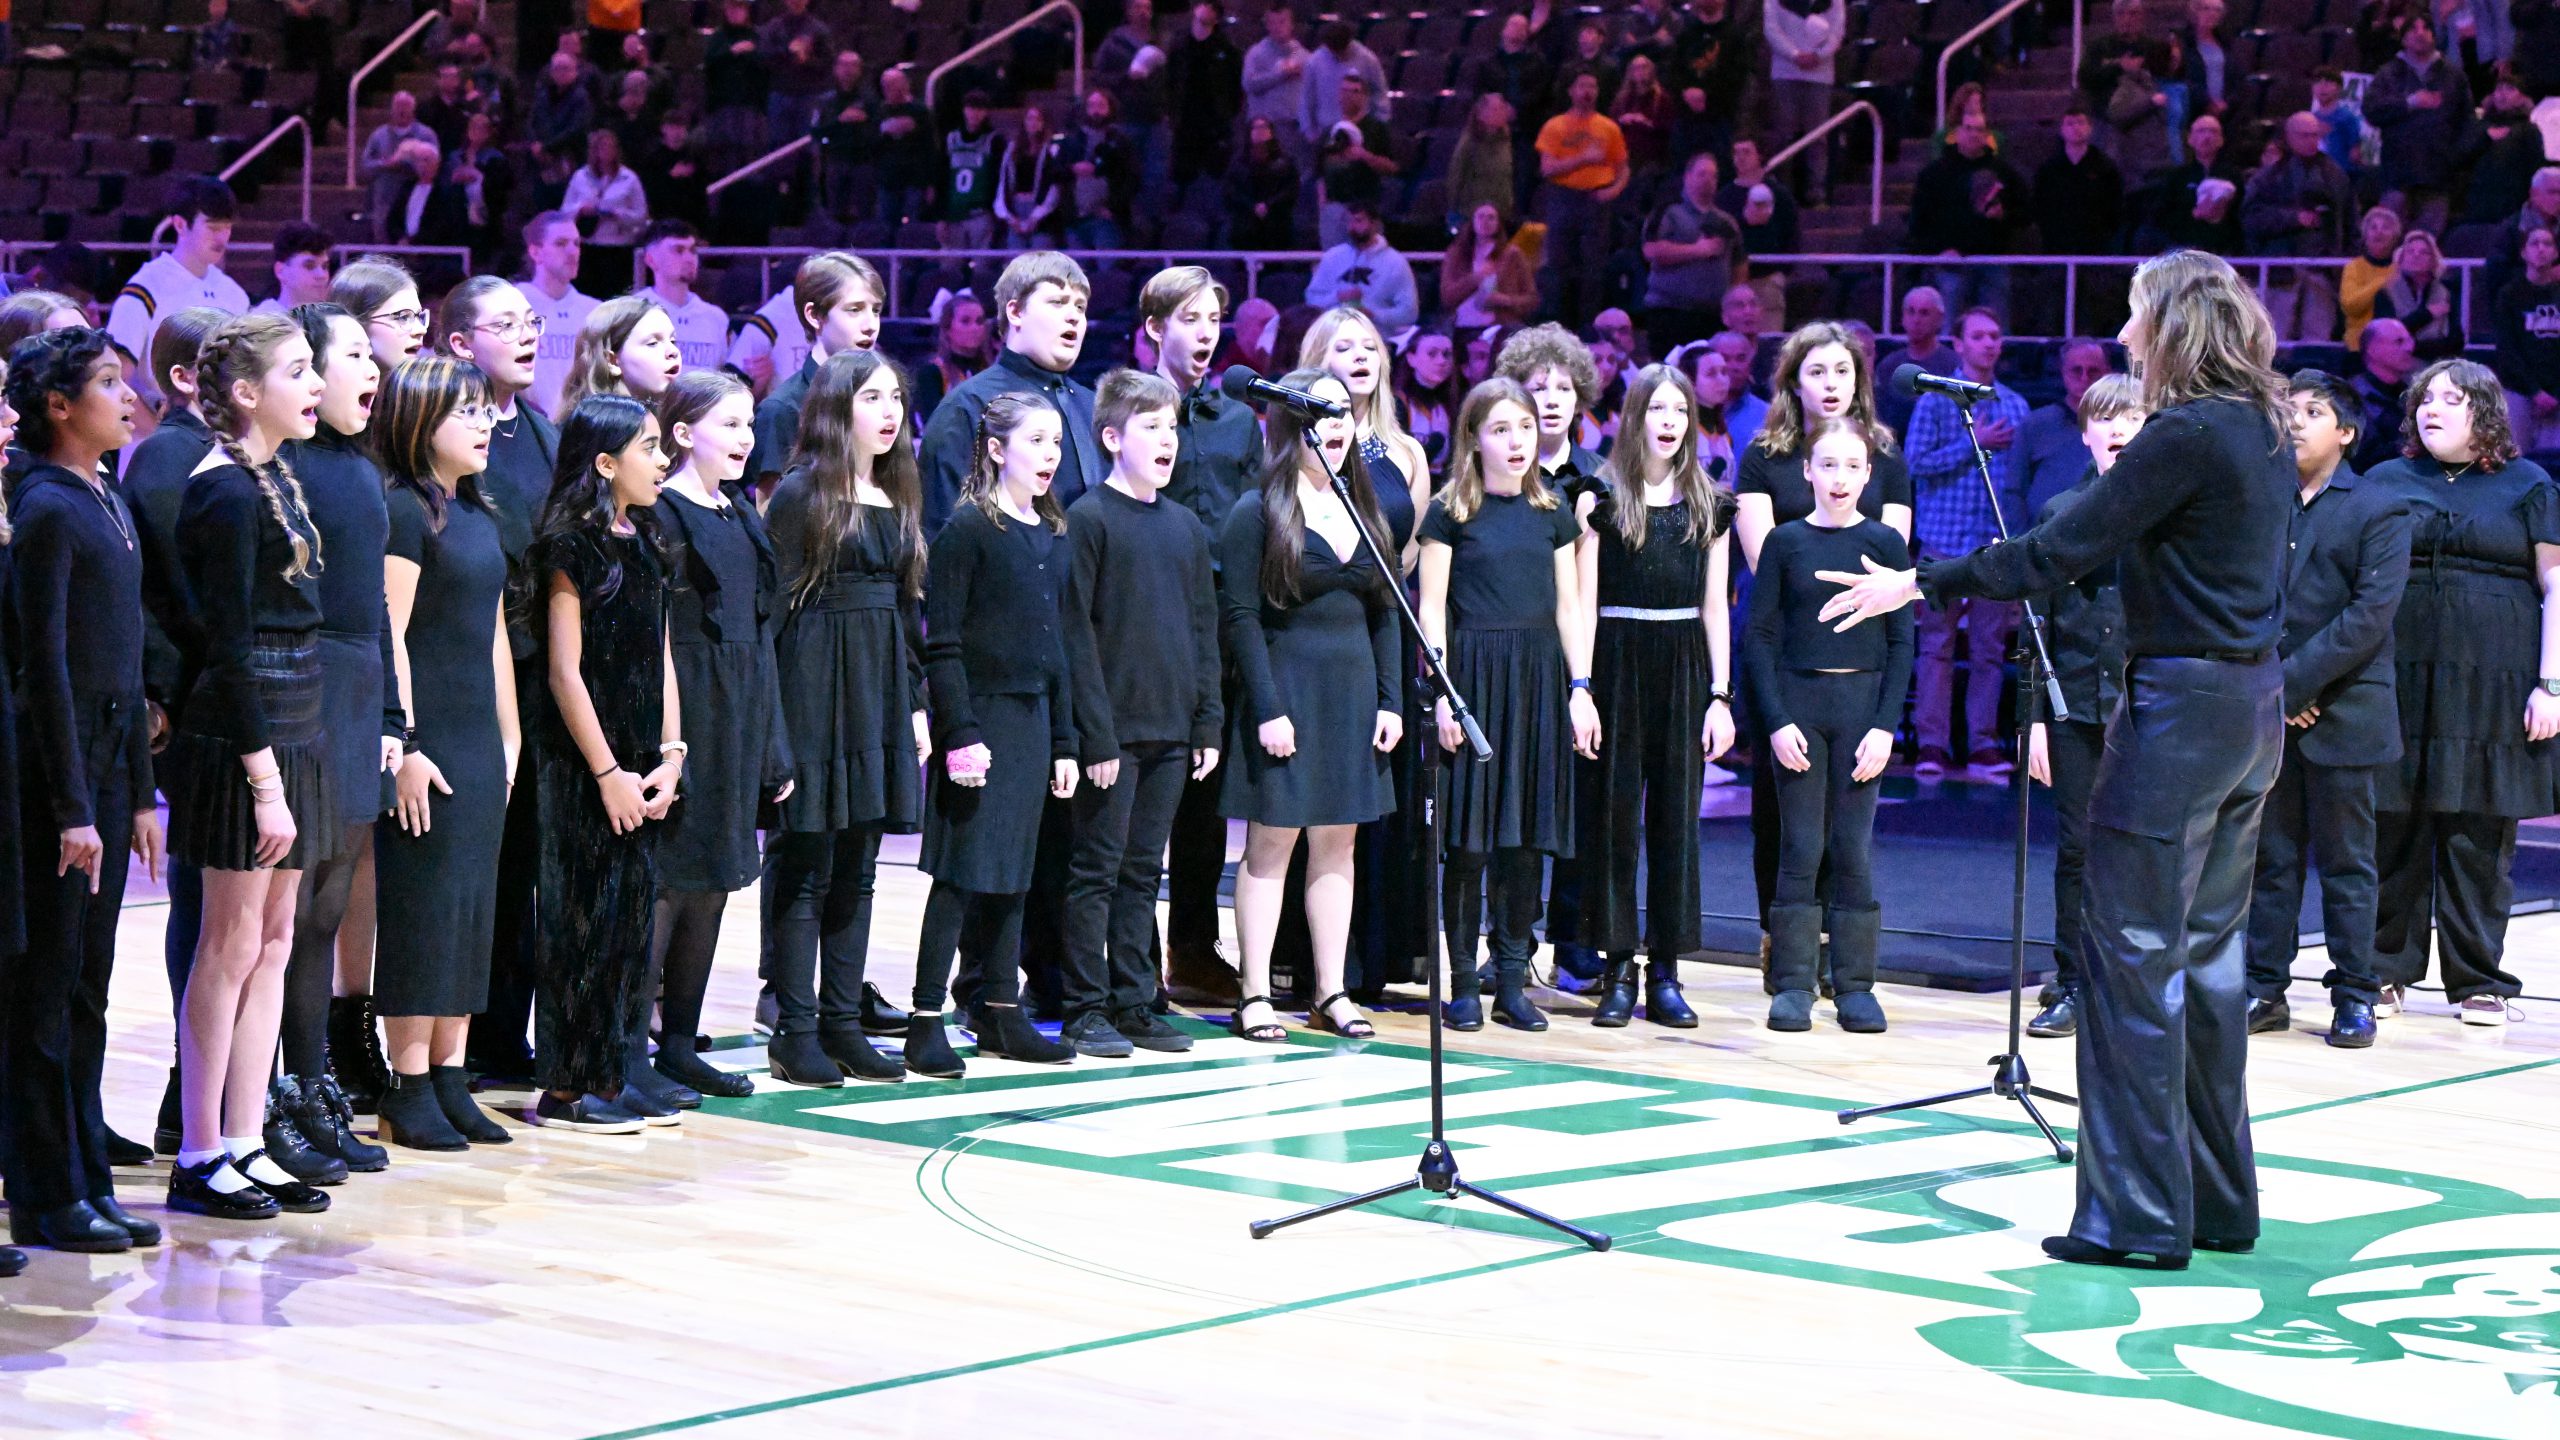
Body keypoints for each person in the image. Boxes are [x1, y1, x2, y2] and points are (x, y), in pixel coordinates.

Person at [1821, 248, 2295, 1270]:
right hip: (2251, 706)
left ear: (2170, 326)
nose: (2121, 339)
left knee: (2128, 960)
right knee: (2207, 963)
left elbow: (2054, 550)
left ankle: (2132, 1219)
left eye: (2133, 319)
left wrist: (1920, 582)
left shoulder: (2182, 433)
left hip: (2179, 714)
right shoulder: (2258, 423)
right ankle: (2216, 1203)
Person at [164, 312, 338, 1220]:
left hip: (298, 719)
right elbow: (225, 650)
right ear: (243, 392)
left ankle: (245, 1137)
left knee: (275, 942)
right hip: (243, 739)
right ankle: (198, 1152)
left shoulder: (277, 474)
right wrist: (265, 781)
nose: (315, 385)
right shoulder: (222, 490)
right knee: (228, 945)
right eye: (300, 370)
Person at [3, 328, 164, 1253]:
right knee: (47, 992)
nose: (128, 394)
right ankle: (44, 1189)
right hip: (60, 776)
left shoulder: (107, 498)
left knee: (90, 989)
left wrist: (139, 793)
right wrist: (71, 806)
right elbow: (45, 669)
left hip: (110, 764)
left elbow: (129, 661)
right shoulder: (48, 508)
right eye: (108, 382)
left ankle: (89, 1178)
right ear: (59, 407)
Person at [2366, 358, 2560, 1027]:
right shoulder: (2387, 479)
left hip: (2493, 683)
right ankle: (2383, 970)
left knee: (2479, 831)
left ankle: (2480, 980)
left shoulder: (2527, 483)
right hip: (2398, 673)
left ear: (2484, 411)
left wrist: (2552, 685)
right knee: (2392, 823)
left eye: (2450, 398)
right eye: (2424, 398)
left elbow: (2557, 587)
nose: (2431, 407)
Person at [1217, 369, 1403, 1043]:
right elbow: (1239, 617)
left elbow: (1386, 611)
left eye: (1346, 412)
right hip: (1288, 691)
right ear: (1292, 422)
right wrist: (1266, 707)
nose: (1336, 422)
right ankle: (1256, 993)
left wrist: (1391, 700)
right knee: (1271, 844)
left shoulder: (1365, 506)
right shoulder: (1259, 510)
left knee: (1339, 842)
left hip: (1353, 696)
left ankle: (1332, 991)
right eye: (1322, 411)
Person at [1732, 323, 1914, 999]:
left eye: (1842, 371)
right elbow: (1763, 561)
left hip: (1859, 653)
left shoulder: (1884, 456)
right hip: (1791, 647)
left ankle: (1847, 968)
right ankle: (1786, 957)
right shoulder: (1766, 458)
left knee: (1848, 830)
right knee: (1782, 821)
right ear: (1793, 381)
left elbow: (1885, 564)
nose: (1831, 384)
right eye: (1817, 372)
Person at [763, 350, 931, 1084]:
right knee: (807, 863)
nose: (889, 411)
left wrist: (917, 703)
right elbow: (771, 614)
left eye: (896, 397)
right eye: (872, 397)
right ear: (838, 407)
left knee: (860, 867)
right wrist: (772, 730)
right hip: (813, 688)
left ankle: (841, 1021)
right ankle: (794, 1028)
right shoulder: (803, 493)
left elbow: (904, 613)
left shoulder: (898, 491)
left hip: (879, 690)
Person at [370, 353, 519, 1148]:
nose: (486, 422)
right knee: (423, 911)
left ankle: (453, 1076)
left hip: (476, 736)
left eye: (485, 409)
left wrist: (511, 737)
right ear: (420, 422)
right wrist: (409, 747)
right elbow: (388, 632)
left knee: (470, 910)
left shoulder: (479, 515)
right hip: (427, 737)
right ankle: (409, 1082)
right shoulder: (402, 511)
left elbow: (492, 635)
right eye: (467, 411)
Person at [2238, 370, 2408, 1050]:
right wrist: (2277, 688)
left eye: (2313, 411)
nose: (2297, 421)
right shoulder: (2263, 498)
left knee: (2348, 865)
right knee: (2268, 862)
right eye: (2289, 410)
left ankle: (2355, 995)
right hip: (2272, 709)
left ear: (2346, 431)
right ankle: (2263, 988)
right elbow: (2246, 597)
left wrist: (2295, 686)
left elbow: (2368, 618)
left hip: (2343, 710)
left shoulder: (2379, 506)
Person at [528, 395, 684, 1132]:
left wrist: (672, 754)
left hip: (642, 764)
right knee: (581, 923)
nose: (662, 461)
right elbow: (565, 673)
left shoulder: (647, 539)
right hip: (587, 769)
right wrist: (606, 773)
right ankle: (566, 1085)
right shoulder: (570, 546)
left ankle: (617, 1070)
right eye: (649, 448)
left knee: (629, 924)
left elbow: (662, 653)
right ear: (604, 462)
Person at [1422, 377, 1597, 1033]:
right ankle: (1463, 982)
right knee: (1468, 843)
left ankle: (1513, 979)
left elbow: (1569, 606)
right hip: (1473, 678)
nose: (1517, 440)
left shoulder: (1552, 510)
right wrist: (1443, 693)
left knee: (1524, 840)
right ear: (1474, 438)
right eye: (1501, 429)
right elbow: (1431, 606)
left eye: (1524, 427)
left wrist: (1580, 689)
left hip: (1537, 681)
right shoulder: (1450, 512)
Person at [642, 372, 801, 1093]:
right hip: (687, 714)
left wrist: (773, 742)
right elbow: (656, 641)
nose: (745, 440)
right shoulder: (663, 515)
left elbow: (760, 636)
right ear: (683, 433)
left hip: (738, 715)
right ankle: (624, 1045)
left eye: (748, 426)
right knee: (669, 887)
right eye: (729, 425)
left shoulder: (741, 515)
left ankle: (678, 1040)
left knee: (713, 885)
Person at [913, 392, 1080, 1074]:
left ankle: (1002, 1011)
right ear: (997, 449)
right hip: (979, 722)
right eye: (1037, 442)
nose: (1051, 456)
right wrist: (960, 734)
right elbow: (943, 643)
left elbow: (1058, 646)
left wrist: (1066, 739)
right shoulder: (968, 532)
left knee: (1013, 873)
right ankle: (926, 1020)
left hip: (1033, 721)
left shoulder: (1051, 532)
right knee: (959, 875)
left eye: (1057, 444)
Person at [261, 304, 392, 1174]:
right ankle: (277, 1098)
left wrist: (391, 717)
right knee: (290, 908)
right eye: (353, 355)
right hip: (301, 685)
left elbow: (375, 598)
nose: (372, 369)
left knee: (332, 901)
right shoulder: (284, 466)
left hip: (358, 683)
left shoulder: (360, 464)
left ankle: (315, 1085)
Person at [1058, 370, 1220, 1057]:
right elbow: (1076, 637)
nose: (1167, 439)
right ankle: (1082, 1005)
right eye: (1150, 427)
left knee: (1141, 870)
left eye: (1172, 427)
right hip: (1113, 734)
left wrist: (1206, 720)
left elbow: (1202, 628)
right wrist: (1094, 735)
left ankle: (1133, 999)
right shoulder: (1088, 518)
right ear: (1112, 437)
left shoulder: (1184, 526)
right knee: (1095, 868)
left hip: (1171, 729)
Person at [1573, 363, 1733, 1027]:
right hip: (1614, 659)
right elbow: (1582, 602)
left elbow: (1717, 607)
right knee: (1613, 825)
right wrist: (1580, 687)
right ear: (1632, 418)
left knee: (1676, 822)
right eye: (1656, 410)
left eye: (1679, 411)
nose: (1668, 423)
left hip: (1683, 663)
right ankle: (1616, 967)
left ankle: (1666, 968)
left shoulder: (1710, 502)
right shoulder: (1600, 500)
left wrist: (1721, 694)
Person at [1147, 267, 1261, 1007]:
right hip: (1148, 621)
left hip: (1219, 624)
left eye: (1214, 317)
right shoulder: (1127, 409)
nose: (1207, 331)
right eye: (1191, 318)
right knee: (1138, 796)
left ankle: (1192, 948)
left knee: (1203, 796)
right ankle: (1120, 957)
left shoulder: (1237, 418)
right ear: (1156, 327)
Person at [2022, 372, 2144, 1041]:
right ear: (2085, 433)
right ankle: (2071, 980)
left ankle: (2127, 979)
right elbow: (2036, 626)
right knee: (2077, 849)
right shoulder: (2059, 512)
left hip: (2147, 706)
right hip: (2071, 707)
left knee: (2142, 850)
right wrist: (2034, 719)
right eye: (2105, 417)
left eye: (2130, 415)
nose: (2118, 428)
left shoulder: (2165, 515)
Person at [1904, 307, 2033, 776]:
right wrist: (1973, 442)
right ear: (1958, 344)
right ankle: (1933, 744)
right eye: (1979, 336)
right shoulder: (1935, 401)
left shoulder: (2015, 404)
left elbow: (2019, 478)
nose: (1989, 344)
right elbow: (1914, 463)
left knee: (1989, 648)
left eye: (1995, 336)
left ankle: (1982, 743)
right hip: (1943, 542)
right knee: (1936, 646)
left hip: (1993, 545)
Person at [918, 251, 1101, 535]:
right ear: (1015, 312)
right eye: (1057, 302)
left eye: (1080, 307)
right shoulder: (968, 406)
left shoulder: (1094, 406)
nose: (1073, 316)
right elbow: (941, 532)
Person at [745, 251, 885, 495]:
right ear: (814, 315)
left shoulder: (884, 402)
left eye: (876, 310)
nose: (871, 325)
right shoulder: (783, 409)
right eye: (854, 310)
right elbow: (770, 517)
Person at [106, 178, 249, 366]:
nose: (222, 238)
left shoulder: (235, 295)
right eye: (213, 228)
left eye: (227, 227)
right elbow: (115, 371)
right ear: (180, 224)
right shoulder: (147, 287)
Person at [1534, 70, 1630, 328]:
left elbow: (1623, 167)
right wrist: (1583, 158)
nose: (1587, 91)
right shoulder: (1555, 126)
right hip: (1562, 198)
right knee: (1559, 266)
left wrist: (1614, 190)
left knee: (1593, 269)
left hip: (1596, 200)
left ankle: (1589, 326)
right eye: (1582, 85)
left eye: (1592, 86)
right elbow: (1547, 168)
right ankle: (1559, 326)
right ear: (1571, 91)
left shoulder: (1608, 127)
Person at [2364, 13, 2470, 236]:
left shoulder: (2453, 75)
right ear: (2403, 38)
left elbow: (2466, 121)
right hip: (2397, 173)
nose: (2420, 33)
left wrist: (2453, 156)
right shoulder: (2387, 74)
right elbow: (2372, 110)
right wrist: (2409, 103)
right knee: (2387, 241)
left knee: (2426, 247)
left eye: (2426, 28)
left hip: (2438, 175)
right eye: (2413, 29)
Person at [1641, 152, 1743, 352]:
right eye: (1702, 174)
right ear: (1687, 177)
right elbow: (1650, 250)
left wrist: (1733, 300)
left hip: (1713, 315)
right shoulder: (1667, 211)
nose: (1708, 180)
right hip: (1671, 312)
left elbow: (1739, 261)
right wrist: (1698, 250)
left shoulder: (1727, 220)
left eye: (1713, 176)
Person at [2021, 339, 2118, 516]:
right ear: (2063, 373)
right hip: (2040, 536)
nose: (2084, 378)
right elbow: (2013, 491)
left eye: (2093, 371)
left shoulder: (2121, 427)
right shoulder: (2036, 424)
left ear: (2106, 373)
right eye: (2076, 370)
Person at [520, 212, 600, 421]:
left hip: (581, 430)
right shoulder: (513, 304)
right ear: (536, 252)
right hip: (529, 426)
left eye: (577, 244)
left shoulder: (594, 311)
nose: (573, 251)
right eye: (561, 243)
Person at [1764, 0, 1846, 202]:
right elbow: (1771, 29)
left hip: (1820, 75)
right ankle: (1783, 192)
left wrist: (1819, 55)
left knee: (1817, 137)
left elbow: (1837, 32)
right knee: (1784, 134)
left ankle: (1816, 191)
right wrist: (1794, 55)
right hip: (1785, 73)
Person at [1305, 200, 1418, 333]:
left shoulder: (1395, 262)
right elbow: (1311, 300)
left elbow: (1409, 313)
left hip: (1377, 338)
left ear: (1374, 224)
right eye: (1348, 221)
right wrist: (1337, 297)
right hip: (1334, 336)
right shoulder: (1332, 257)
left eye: (1358, 221)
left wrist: (1372, 314)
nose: (1352, 227)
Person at [1313, 73, 1397, 250]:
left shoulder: (1376, 128)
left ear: (1364, 96)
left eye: (1354, 91)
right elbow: (1319, 171)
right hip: (1334, 209)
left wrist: (1366, 156)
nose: (1348, 95)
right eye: (1344, 90)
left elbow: (1392, 167)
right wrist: (1323, 204)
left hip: (1365, 206)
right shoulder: (1330, 131)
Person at [2494, 224, 2560, 451]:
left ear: (2556, 253)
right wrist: (2535, 391)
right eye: (2535, 243)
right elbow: (2507, 349)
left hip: (2557, 391)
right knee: (2514, 461)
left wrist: (2554, 393)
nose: (2541, 249)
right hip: (2519, 389)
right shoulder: (2509, 295)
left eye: (2548, 244)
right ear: (2524, 253)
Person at [558, 294, 681, 413]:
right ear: (612, 361)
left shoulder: (677, 425)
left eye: (673, 341)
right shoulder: (584, 431)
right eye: (652, 343)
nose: (673, 351)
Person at [635, 221, 730, 372]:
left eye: (692, 250)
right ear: (651, 260)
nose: (689, 258)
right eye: (678, 250)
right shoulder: (631, 312)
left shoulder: (716, 318)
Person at [1168, 2, 1245, 187]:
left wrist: (1229, 111)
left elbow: (1235, 84)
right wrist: (1170, 110)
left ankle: (1212, 209)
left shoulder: (1227, 48)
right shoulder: (1180, 44)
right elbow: (1170, 79)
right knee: (1183, 167)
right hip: (1185, 117)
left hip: (1215, 119)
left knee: (1215, 169)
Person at [2368, 228, 2464, 358]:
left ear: (2433, 261)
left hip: (2437, 363)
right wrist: (2427, 314)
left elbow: (2456, 342)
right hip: (2397, 365)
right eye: (2410, 251)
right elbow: (2387, 336)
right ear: (2401, 259)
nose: (2416, 256)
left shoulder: (2447, 292)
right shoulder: (2386, 293)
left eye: (2424, 252)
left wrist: (2412, 345)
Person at [1443, 203, 1539, 332]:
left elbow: (1531, 299)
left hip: (1502, 325)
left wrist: (1505, 300)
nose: (1485, 222)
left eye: (1491, 218)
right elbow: (1447, 297)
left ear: (1499, 223)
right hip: (1462, 325)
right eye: (1480, 217)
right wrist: (1475, 279)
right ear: (1472, 221)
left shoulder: (1513, 254)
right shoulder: (1457, 253)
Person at [1874, 286, 1954, 435]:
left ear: (1940, 320)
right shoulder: (1888, 366)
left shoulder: (1954, 366)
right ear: (1903, 318)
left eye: (1924, 313)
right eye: (1911, 312)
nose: (1916, 320)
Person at [912, 289, 992, 428]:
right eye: (965, 321)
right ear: (948, 327)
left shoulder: (992, 372)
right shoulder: (932, 372)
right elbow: (934, 425)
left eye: (979, 321)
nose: (975, 328)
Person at [2351, 317, 2420, 471]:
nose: (2410, 348)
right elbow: (2365, 457)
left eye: (2410, 341)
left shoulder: (2415, 395)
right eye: (2399, 342)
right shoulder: (2350, 398)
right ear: (2372, 349)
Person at [1223, 114, 1298, 249]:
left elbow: (1291, 189)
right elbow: (1231, 191)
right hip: (1245, 222)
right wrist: (1252, 206)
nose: (1260, 131)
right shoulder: (1238, 164)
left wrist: (1269, 205)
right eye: (1256, 128)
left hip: (1276, 221)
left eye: (1264, 127)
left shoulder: (1285, 163)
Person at [1397, 327, 1462, 473]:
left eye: (1447, 354)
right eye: (1432, 354)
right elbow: (1402, 460)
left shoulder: (1452, 403)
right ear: (1411, 358)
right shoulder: (1398, 403)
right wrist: (1437, 438)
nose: (1441, 361)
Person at [257, 224, 336, 315]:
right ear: (280, 271)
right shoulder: (260, 323)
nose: (321, 275)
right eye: (309, 266)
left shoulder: (331, 320)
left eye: (324, 267)